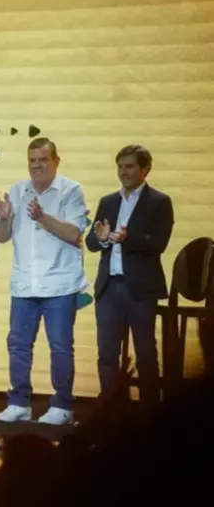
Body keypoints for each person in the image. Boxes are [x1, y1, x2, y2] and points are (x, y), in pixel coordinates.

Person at [0, 137, 88, 426]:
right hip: (25, 284)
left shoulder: (71, 190)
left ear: (56, 161)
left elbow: (74, 234)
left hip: (60, 285)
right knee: (18, 346)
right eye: (32, 160)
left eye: (43, 160)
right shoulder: (17, 190)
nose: (37, 166)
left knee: (60, 347)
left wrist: (42, 217)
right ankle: (19, 403)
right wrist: (4, 219)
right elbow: (3, 237)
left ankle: (62, 406)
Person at [85, 144, 173, 405]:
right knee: (107, 355)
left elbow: (158, 243)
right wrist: (102, 239)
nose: (123, 172)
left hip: (140, 290)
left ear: (145, 169)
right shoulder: (108, 201)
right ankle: (110, 411)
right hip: (109, 288)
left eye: (130, 166)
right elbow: (91, 242)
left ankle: (148, 414)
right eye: (120, 167)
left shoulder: (159, 202)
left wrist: (128, 238)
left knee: (145, 353)